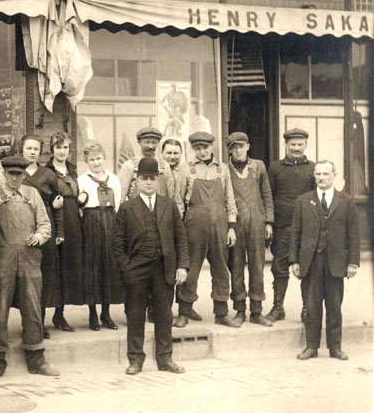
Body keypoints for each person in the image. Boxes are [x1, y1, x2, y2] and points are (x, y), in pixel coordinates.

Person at [0, 155, 58, 380]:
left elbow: (45, 224)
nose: (14, 178)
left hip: (29, 259)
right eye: (10, 174)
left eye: (18, 174)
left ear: (24, 175)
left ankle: (36, 359)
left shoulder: (32, 195)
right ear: (4, 174)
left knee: (33, 309)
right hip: (2, 261)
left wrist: (39, 236)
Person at [114, 157, 189, 375]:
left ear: (158, 180)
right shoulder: (127, 208)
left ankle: (165, 359)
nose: (148, 183)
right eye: (144, 179)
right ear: (136, 181)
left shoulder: (169, 205)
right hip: (136, 270)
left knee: (164, 315)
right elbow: (117, 245)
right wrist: (127, 268)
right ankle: (136, 359)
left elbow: (180, 239)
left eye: (152, 179)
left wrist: (182, 266)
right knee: (135, 315)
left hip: (163, 269)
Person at [289, 161, 359, 361]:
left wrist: (352, 263)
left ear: (334, 175)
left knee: (334, 307)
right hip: (311, 262)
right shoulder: (303, 201)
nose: (321, 178)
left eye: (326, 174)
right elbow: (295, 233)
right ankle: (311, 347)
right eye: (318, 174)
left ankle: (335, 348)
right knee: (311, 307)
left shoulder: (346, 201)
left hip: (336, 263)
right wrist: (294, 261)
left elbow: (353, 234)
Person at [174, 132, 240, 329]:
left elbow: (230, 199)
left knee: (221, 268)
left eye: (205, 148)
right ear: (193, 149)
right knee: (190, 268)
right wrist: (180, 230)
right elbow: (178, 201)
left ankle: (221, 312)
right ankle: (184, 312)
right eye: (197, 148)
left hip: (220, 223)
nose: (202, 152)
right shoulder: (187, 169)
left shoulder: (223, 170)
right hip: (194, 224)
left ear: (212, 147)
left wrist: (231, 228)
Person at [226, 132, 275, 326]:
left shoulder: (259, 166)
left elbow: (267, 195)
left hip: (257, 221)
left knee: (257, 265)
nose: (238, 150)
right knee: (236, 266)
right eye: (234, 147)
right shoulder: (224, 169)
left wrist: (268, 222)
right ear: (230, 149)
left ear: (248, 146)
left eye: (241, 146)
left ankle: (256, 310)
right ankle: (239, 310)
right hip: (235, 223)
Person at [268, 127, 315, 323]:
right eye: (292, 144)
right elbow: (268, 197)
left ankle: (307, 309)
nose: (296, 148)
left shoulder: (314, 168)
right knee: (279, 267)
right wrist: (269, 223)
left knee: (307, 268)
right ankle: (278, 308)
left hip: (307, 228)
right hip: (282, 227)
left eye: (300, 144)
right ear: (286, 145)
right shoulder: (275, 167)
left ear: (305, 145)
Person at [19, 134, 65, 339]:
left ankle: (40, 322)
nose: (32, 152)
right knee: (24, 278)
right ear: (22, 149)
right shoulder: (15, 172)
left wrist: (60, 231)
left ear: (40, 152)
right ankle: (26, 323)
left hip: (46, 229)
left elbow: (58, 204)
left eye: (35, 149)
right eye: (28, 148)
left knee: (44, 277)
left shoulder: (47, 174)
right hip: (22, 227)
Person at [77, 142, 123, 331]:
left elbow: (118, 204)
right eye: (91, 160)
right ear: (86, 161)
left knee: (109, 268)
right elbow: (79, 207)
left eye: (98, 158)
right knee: (93, 267)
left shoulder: (114, 179)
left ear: (104, 158)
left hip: (110, 222)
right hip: (91, 222)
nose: (96, 163)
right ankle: (92, 313)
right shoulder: (82, 180)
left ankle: (106, 313)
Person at [45, 131, 88, 331]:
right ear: (52, 149)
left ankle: (59, 315)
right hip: (55, 219)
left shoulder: (72, 170)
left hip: (73, 220)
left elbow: (77, 194)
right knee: (53, 268)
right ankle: (41, 317)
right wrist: (51, 204)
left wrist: (82, 200)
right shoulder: (47, 171)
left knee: (67, 268)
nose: (62, 151)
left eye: (65, 148)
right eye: (58, 147)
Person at [117, 127, 182, 215]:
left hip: (161, 215)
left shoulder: (164, 166)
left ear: (158, 143)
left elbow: (171, 196)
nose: (150, 146)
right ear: (139, 142)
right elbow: (121, 196)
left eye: (154, 142)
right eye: (147, 142)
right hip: (137, 215)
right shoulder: (129, 166)